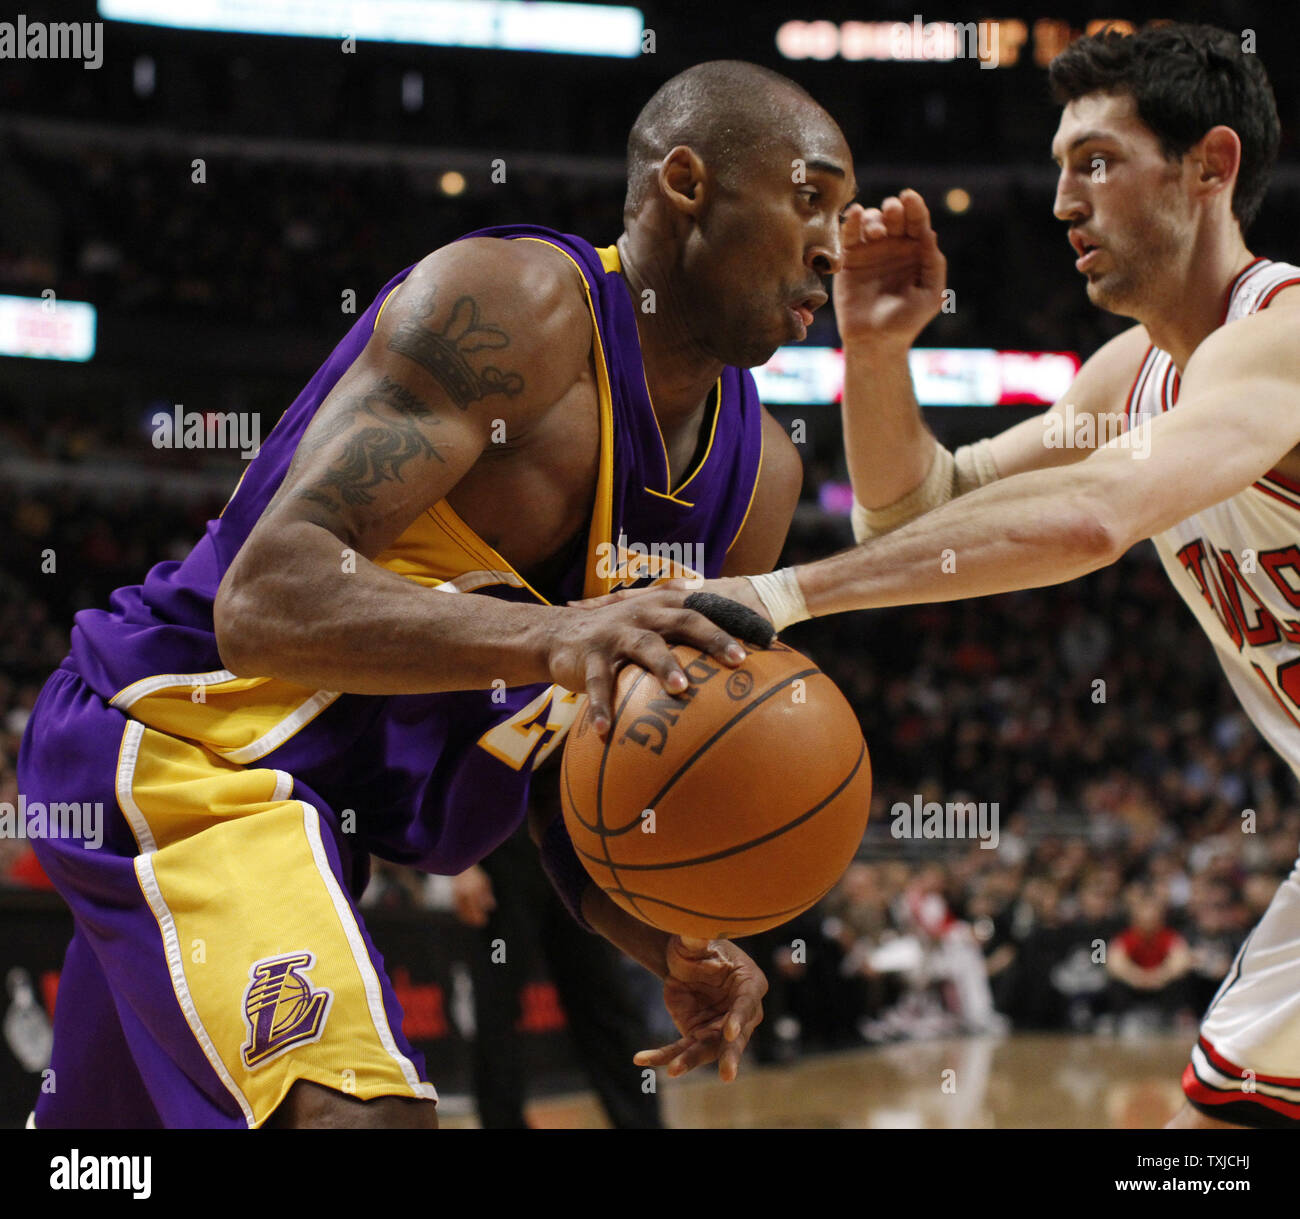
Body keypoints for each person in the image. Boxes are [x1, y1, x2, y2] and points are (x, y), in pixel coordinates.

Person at [16, 59, 860, 1128]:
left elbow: (573, 768)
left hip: (314, 822)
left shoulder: (757, 480)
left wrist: (667, 933)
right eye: (809, 198)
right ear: (685, 183)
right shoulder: (516, 306)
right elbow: (265, 598)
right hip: (186, 745)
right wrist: (556, 633)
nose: (832, 243)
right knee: (363, 1120)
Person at [587, 24, 1300, 1128]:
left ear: (1211, 166)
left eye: (1097, 163)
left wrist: (786, 594)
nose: (1064, 201)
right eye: (1059, 169)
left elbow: (1092, 513)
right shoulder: (1131, 375)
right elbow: (920, 510)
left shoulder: (1283, 332)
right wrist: (877, 354)